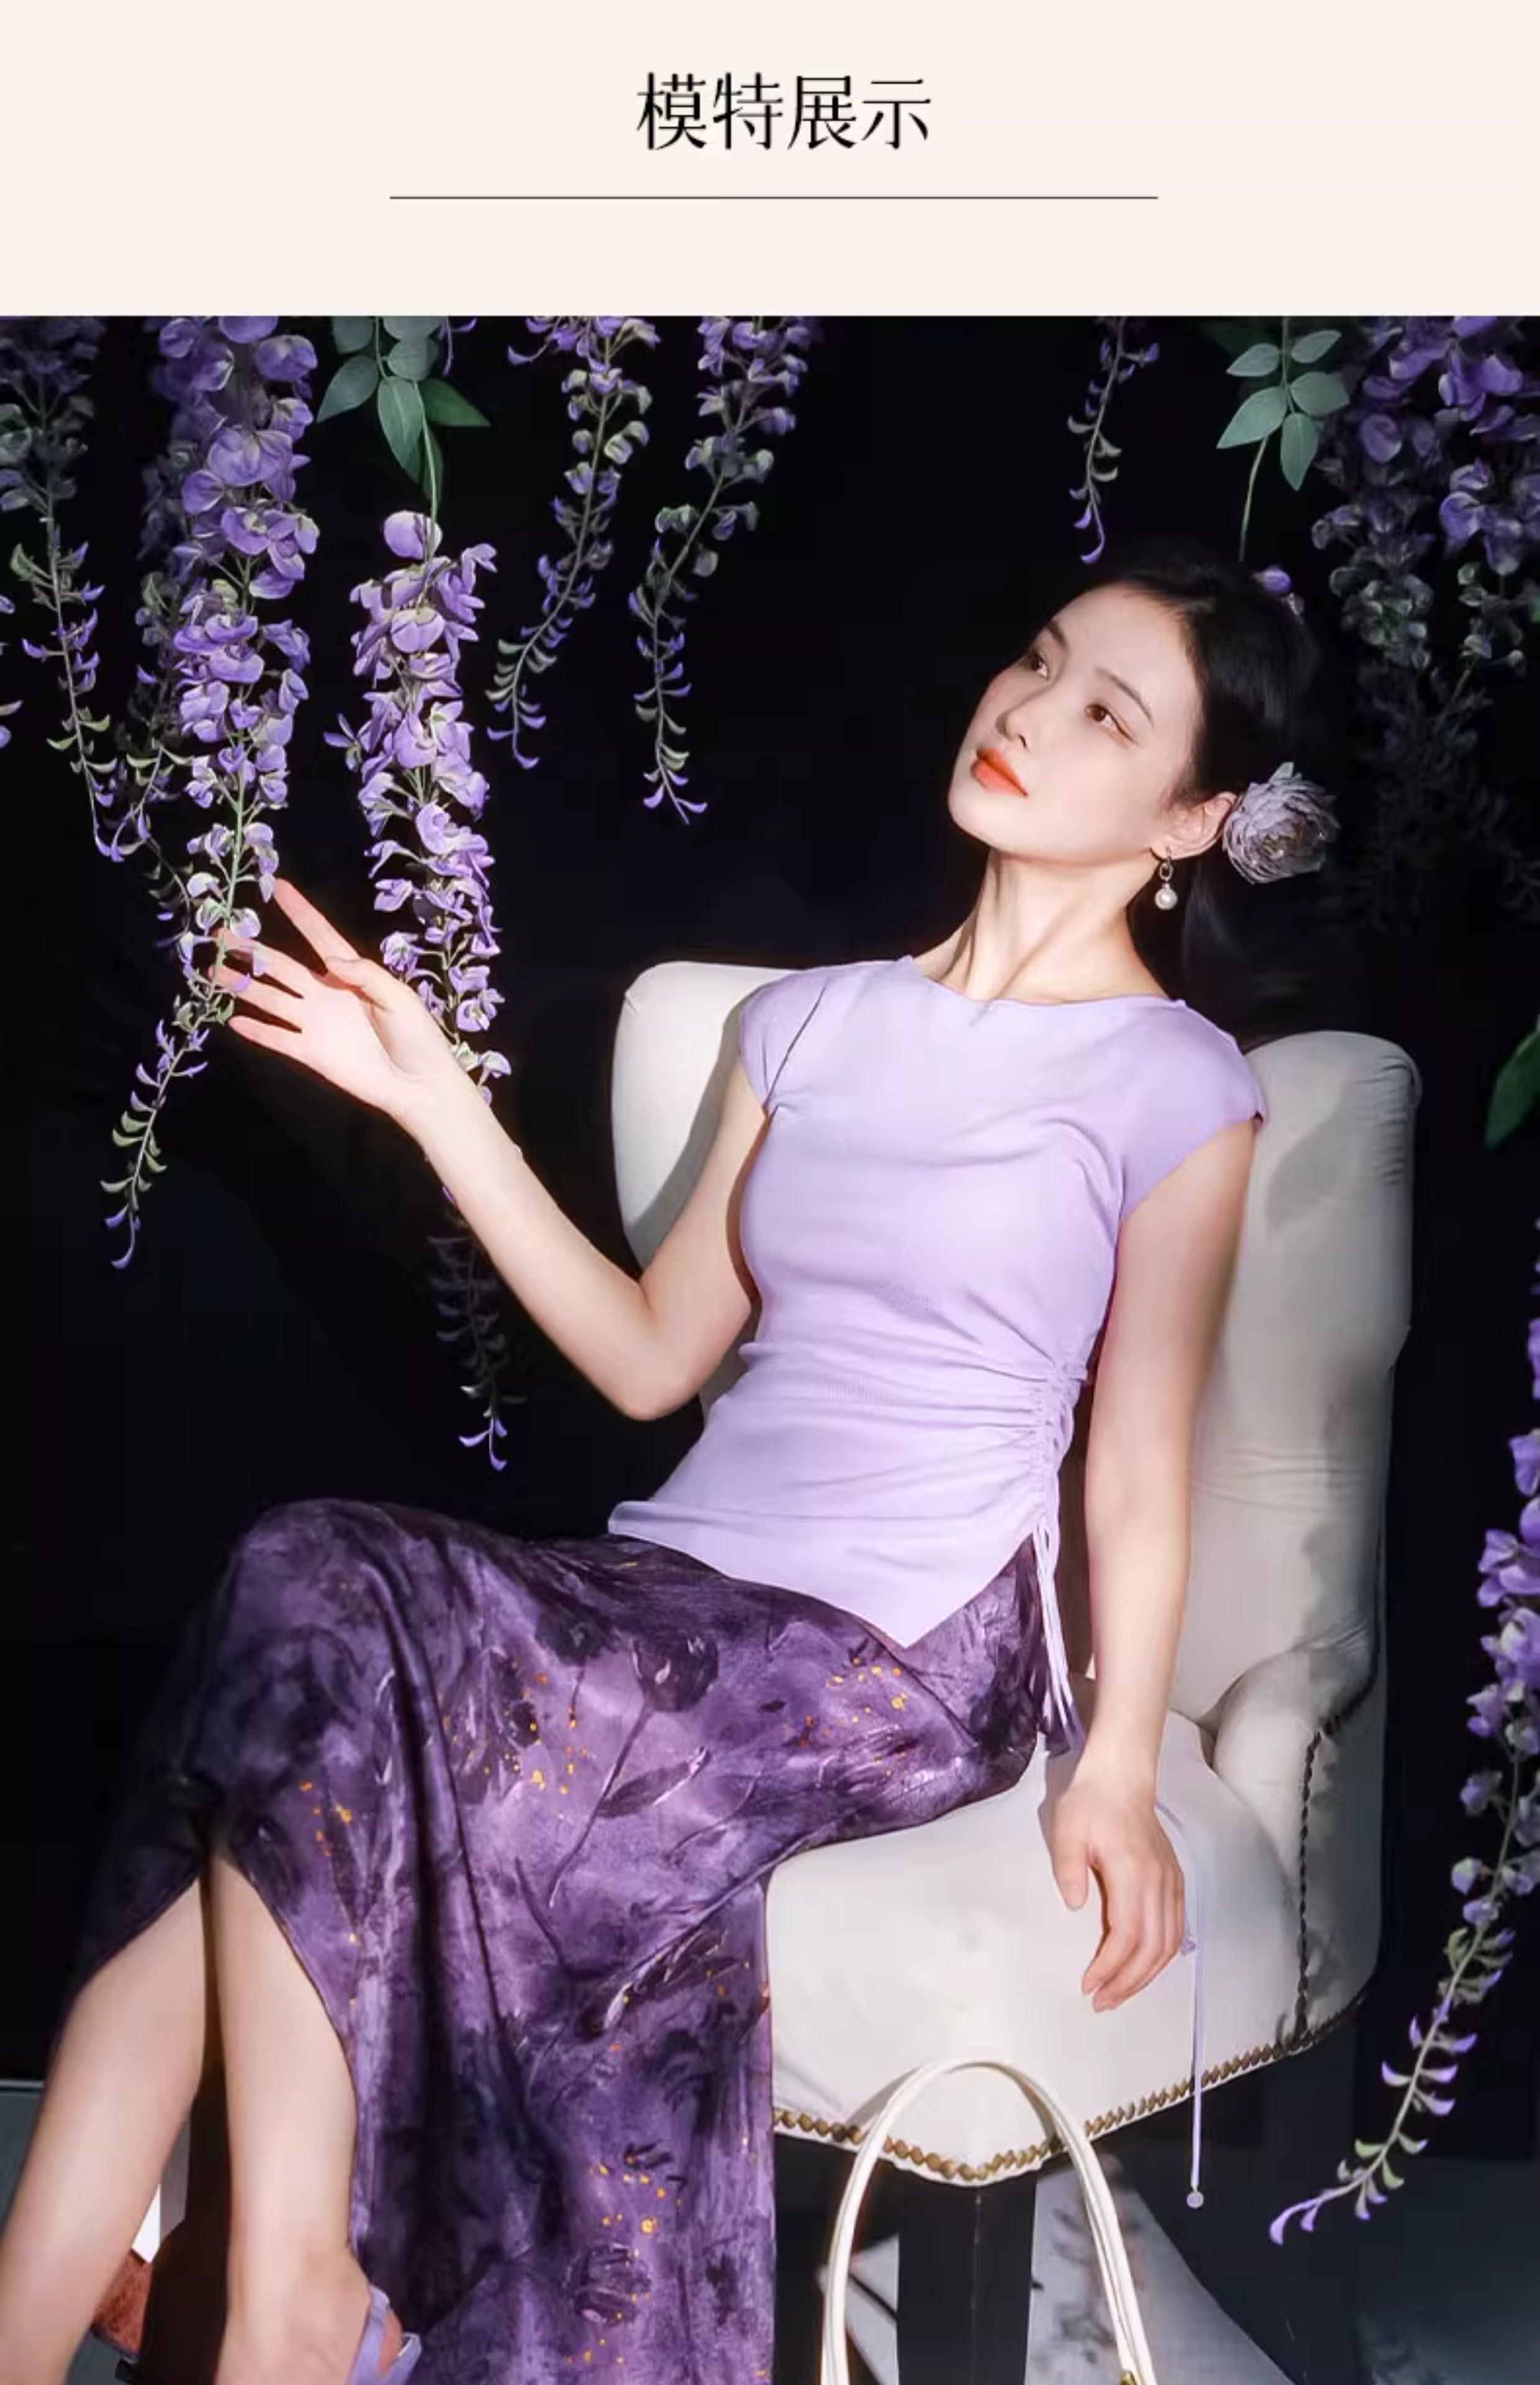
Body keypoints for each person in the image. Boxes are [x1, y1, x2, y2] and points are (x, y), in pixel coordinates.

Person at [0, 540, 1343, 2385]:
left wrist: (1111, 1770)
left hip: (898, 1653)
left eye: (1107, 714)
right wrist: (436, 1103)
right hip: (671, 1592)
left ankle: (289, 2294)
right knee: (296, 1643)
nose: (1029, 714)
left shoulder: (1174, 1081)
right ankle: (107, 2318)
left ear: (1191, 820)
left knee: (312, 1587)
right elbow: (653, 1359)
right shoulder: (805, 1025)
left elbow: (1137, 1463)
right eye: (1038, 659)